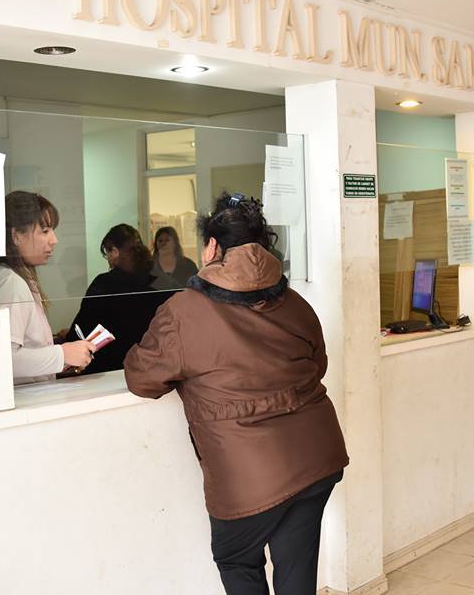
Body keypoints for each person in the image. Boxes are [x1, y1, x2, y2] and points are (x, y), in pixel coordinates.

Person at [124, 193, 348, 595]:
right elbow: (318, 364)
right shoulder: (295, 303)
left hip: (247, 476)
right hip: (317, 457)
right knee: (296, 568)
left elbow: (142, 378)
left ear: (212, 247)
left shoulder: (183, 311)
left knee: (237, 560)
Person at [0, 191, 95, 384]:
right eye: (45, 231)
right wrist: (62, 355)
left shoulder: (20, 278)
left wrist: (65, 359)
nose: (54, 240)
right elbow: (5, 359)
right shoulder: (11, 282)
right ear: (16, 236)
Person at [68, 224, 174, 374]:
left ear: (114, 251)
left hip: (107, 370)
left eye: (107, 253)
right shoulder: (161, 282)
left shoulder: (104, 284)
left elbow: (83, 327)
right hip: (151, 367)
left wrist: (66, 344)